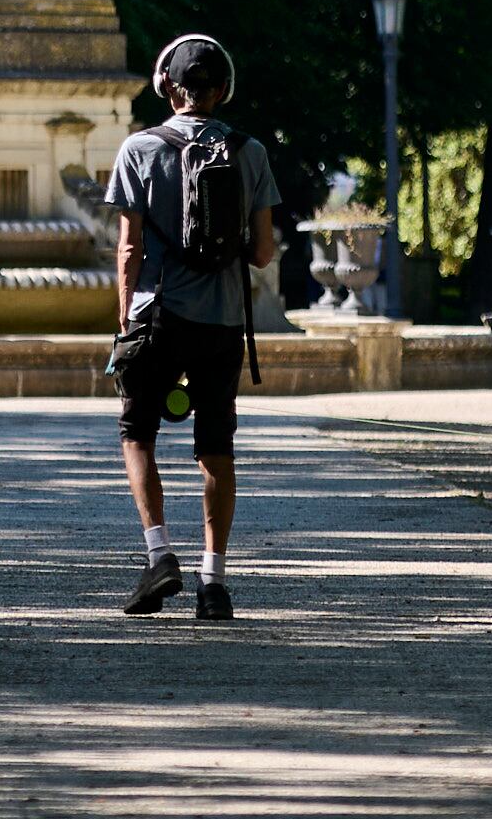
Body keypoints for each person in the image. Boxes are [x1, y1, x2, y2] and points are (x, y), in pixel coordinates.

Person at [104, 33, 279, 621]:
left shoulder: (139, 149)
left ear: (168, 88)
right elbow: (261, 254)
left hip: (159, 315)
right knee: (216, 449)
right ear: (222, 90)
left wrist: (124, 318)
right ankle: (214, 584)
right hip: (225, 322)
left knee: (137, 435)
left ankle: (159, 556)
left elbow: (128, 250)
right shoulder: (249, 151)